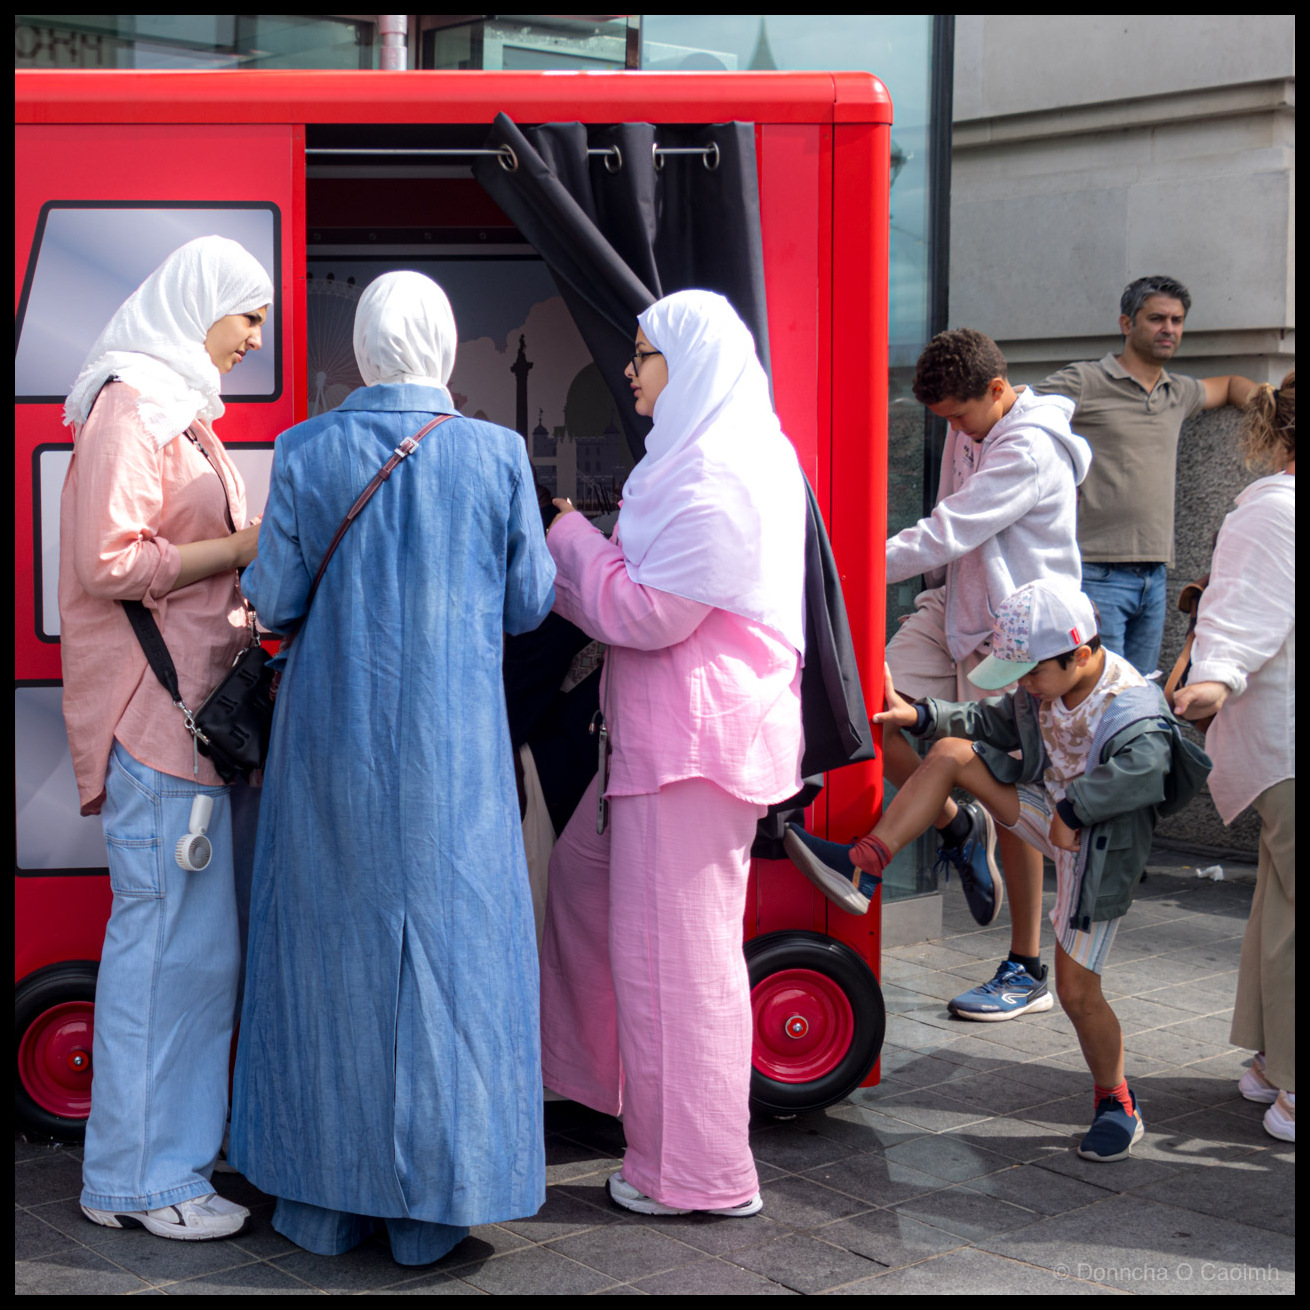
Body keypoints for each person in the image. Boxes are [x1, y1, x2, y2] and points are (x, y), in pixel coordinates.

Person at [227, 271, 556, 1265]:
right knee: (452, 968)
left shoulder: (303, 448)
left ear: (365, 348)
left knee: (324, 963)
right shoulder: (496, 454)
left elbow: (277, 596)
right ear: (446, 347)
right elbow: (530, 601)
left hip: (331, 750)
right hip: (453, 761)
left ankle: (322, 1200)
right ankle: (430, 1210)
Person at [541, 289, 806, 1217]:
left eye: (645, 354)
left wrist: (567, 537)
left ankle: (694, 1173)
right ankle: (610, 1088)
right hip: (671, 744)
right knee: (585, 890)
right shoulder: (714, 456)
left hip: (689, 750)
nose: (631, 369)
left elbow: (647, 612)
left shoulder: (718, 472)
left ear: (688, 365)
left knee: (678, 967)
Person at [802, 580, 1210, 1160]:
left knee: (1077, 992)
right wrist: (920, 715)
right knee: (948, 754)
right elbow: (990, 720)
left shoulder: (1132, 709)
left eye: (1031, 673)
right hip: (1050, 812)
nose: (1023, 686)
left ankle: (1117, 1102)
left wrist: (1077, 808)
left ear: (1083, 655)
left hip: (1096, 852)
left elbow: (1146, 771)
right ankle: (865, 864)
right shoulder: (1041, 688)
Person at [60, 235, 272, 1241]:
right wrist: (240, 546)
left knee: (190, 955)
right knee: (166, 957)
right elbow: (105, 559)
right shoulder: (131, 406)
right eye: (248, 314)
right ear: (201, 304)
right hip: (154, 719)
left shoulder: (175, 409)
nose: (255, 336)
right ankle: (140, 1177)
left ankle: (161, 1161)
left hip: (184, 720)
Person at [787, 328, 1091, 1024]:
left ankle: (1026, 967)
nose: (952, 430)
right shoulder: (974, 425)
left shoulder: (1031, 447)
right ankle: (954, 824)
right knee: (863, 705)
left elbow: (947, 531)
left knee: (1015, 800)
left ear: (996, 389)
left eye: (958, 415)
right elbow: (948, 539)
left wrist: (836, 565)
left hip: (1023, 636)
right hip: (954, 611)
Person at [1174, 372, 1295, 1144]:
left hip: (1284, 743)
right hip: (1289, 742)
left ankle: (1271, 1064)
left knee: (1283, 905)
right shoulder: (1278, 512)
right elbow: (1241, 615)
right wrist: (1211, 678)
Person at [1032, 275, 1257, 675]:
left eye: (1177, 320)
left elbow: (1229, 384)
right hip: (1097, 572)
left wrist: (1267, 405)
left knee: (1140, 697)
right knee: (1102, 696)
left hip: (1155, 577)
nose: (1168, 329)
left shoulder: (1178, 392)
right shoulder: (1085, 381)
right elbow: (1021, 414)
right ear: (1126, 323)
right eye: (1157, 318)